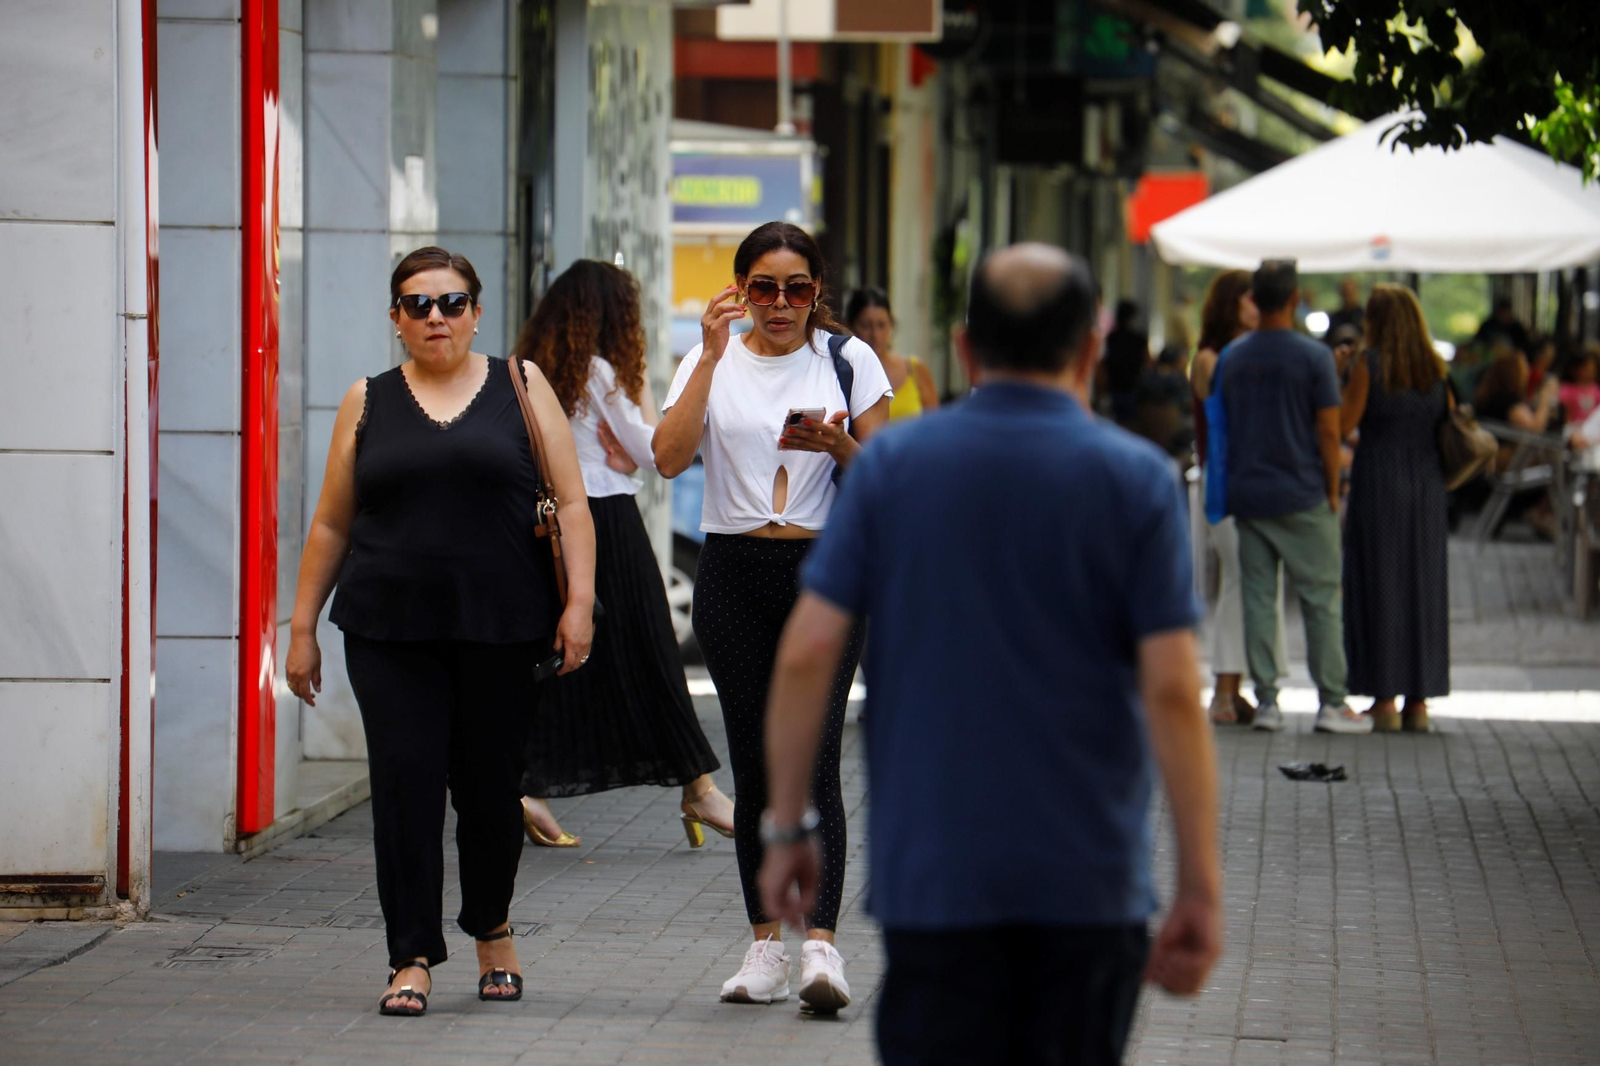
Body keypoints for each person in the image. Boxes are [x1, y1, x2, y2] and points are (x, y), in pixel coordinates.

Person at [758, 243, 1222, 1065]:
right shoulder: (1138, 481)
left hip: (936, 878)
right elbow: (1175, 694)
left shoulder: (894, 468)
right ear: (1087, 350)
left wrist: (789, 824)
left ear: (967, 351)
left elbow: (808, 654)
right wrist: (1199, 882)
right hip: (1090, 879)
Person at [284, 247, 597, 1016]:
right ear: (395, 319)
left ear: (476, 312)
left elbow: (574, 501)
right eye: (418, 304)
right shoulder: (367, 400)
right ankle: (411, 955)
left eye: (451, 302)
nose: (436, 317)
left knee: (490, 792)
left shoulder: (522, 385)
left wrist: (580, 603)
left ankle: (493, 929)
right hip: (390, 629)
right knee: (404, 787)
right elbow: (331, 521)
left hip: (504, 625)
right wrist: (300, 626)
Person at [652, 220, 892, 1011]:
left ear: (817, 290)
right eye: (763, 287)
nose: (779, 304)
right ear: (739, 290)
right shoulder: (709, 359)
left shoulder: (848, 359)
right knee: (754, 762)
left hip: (822, 568)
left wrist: (836, 445)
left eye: (795, 288)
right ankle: (765, 947)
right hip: (731, 569)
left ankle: (821, 948)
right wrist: (711, 356)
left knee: (815, 755)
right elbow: (666, 455)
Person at [510, 260, 733, 849]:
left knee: (564, 660)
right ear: (615, 315)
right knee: (651, 652)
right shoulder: (605, 371)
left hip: (555, 524)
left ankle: (525, 788)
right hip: (606, 519)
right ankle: (699, 790)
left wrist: (624, 452)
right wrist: (637, 404)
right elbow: (651, 450)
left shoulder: (536, 375)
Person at [1218, 259, 1371, 734]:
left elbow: (1225, 426)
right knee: (1321, 599)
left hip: (1249, 492)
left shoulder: (1233, 357)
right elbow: (1330, 431)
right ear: (1293, 298)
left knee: (1259, 598)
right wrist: (1330, 489)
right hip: (1302, 491)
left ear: (1255, 299)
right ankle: (1331, 701)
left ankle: (1267, 702)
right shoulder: (1313, 357)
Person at [1339, 285, 1451, 733]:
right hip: (1426, 484)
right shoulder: (1435, 367)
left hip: (1380, 481)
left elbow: (1346, 423)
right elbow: (1449, 419)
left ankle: (1384, 700)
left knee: (1380, 582)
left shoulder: (1370, 365)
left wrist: (1343, 374)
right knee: (1422, 587)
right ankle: (1418, 703)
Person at [1189, 269, 1286, 726]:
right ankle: (1224, 690)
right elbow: (1231, 420)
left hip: (1244, 478)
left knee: (1248, 580)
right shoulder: (1212, 358)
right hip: (1228, 480)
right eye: (1250, 298)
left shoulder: (1237, 353)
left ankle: (1233, 686)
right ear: (1232, 303)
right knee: (1242, 580)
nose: (1258, 304)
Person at [845, 287, 939, 420]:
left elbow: (934, 424)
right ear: (850, 326)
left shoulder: (914, 369)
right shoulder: (843, 373)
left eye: (881, 325)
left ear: (891, 324)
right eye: (866, 325)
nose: (875, 335)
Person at [1103, 298, 1150, 427]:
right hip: (1133, 386)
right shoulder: (1139, 339)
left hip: (1114, 385)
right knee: (1130, 424)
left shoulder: (1111, 338)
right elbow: (1147, 361)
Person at [1558, 344, 1600, 426]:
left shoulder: (1596, 390)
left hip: (1591, 430)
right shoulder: (1567, 389)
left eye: (1592, 369)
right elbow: (1566, 414)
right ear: (1576, 369)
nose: (1590, 372)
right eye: (1587, 368)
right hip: (1573, 428)